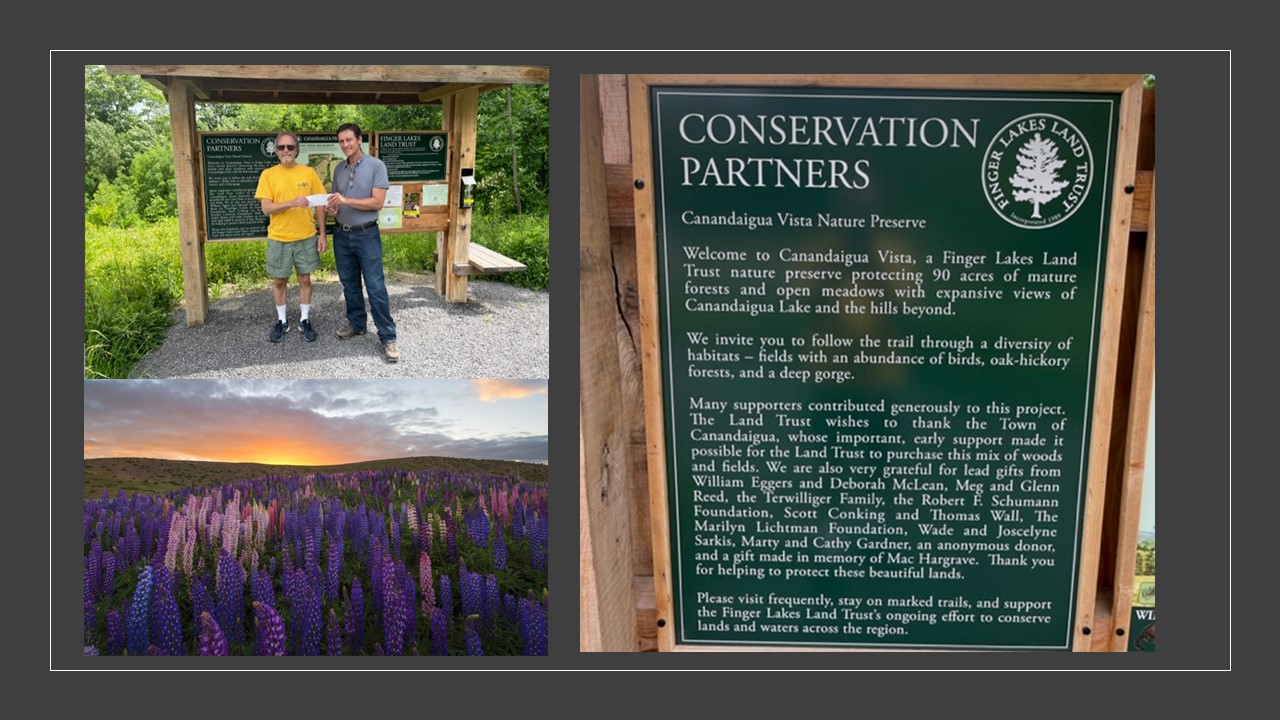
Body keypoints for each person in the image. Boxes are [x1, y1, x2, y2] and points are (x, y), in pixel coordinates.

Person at [326, 122, 399, 362]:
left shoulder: (376, 166)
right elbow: (339, 204)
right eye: (341, 141)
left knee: (376, 286)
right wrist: (333, 208)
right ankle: (357, 324)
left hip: (367, 234)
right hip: (341, 234)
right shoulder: (338, 169)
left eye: (349, 140)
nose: (345, 145)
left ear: (360, 140)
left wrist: (345, 200)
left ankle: (388, 337)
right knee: (349, 284)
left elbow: (377, 203)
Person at [254, 131, 327, 343]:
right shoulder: (268, 175)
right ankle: (282, 321)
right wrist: (291, 203)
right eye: (281, 147)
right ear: (276, 151)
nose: (286, 151)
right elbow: (266, 209)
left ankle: (304, 319)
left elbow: (320, 203)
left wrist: (322, 234)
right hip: (279, 238)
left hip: (306, 236)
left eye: (290, 147)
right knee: (280, 280)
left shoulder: (309, 173)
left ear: (297, 150)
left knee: (305, 278)